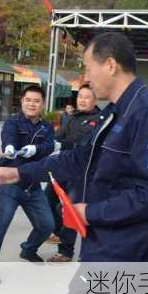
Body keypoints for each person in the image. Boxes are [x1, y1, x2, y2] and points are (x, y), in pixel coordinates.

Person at [0, 32, 148, 262]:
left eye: (88, 68)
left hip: (131, 252)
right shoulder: (114, 112)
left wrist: (89, 212)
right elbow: (78, 158)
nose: (86, 76)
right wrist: (18, 172)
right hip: (104, 244)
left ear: (110, 65)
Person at [0, 85, 55, 264]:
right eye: (28, 100)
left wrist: (36, 149)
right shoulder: (12, 122)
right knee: (2, 220)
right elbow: (8, 136)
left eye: (36, 101)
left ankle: (28, 250)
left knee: (47, 225)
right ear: (21, 101)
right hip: (10, 183)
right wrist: (9, 147)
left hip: (33, 185)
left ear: (43, 104)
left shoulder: (46, 128)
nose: (32, 104)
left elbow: (49, 146)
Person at [45, 84, 101, 262]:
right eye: (80, 96)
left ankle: (65, 251)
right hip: (62, 168)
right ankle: (56, 232)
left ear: (95, 100)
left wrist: (62, 144)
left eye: (87, 97)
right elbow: (59, 137)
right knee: (45, 202)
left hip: (80, 173)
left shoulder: (99, 119)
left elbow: (80, 143)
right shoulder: (71, 117)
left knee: (67, 209)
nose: (82, 100)